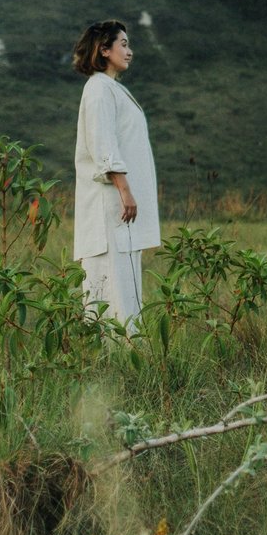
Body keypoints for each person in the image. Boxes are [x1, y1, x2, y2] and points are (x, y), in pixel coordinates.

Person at [72, 19, 161, 328]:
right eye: (123, 44)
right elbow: (103, 144)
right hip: (110, 206)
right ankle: (116, 347)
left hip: (119, 208)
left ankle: (124, 347)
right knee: (111, 283)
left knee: (123, 282)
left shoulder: (111, 89)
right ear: (104, 49)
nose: (129, 51)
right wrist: (125, 190)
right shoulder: (98, 89)